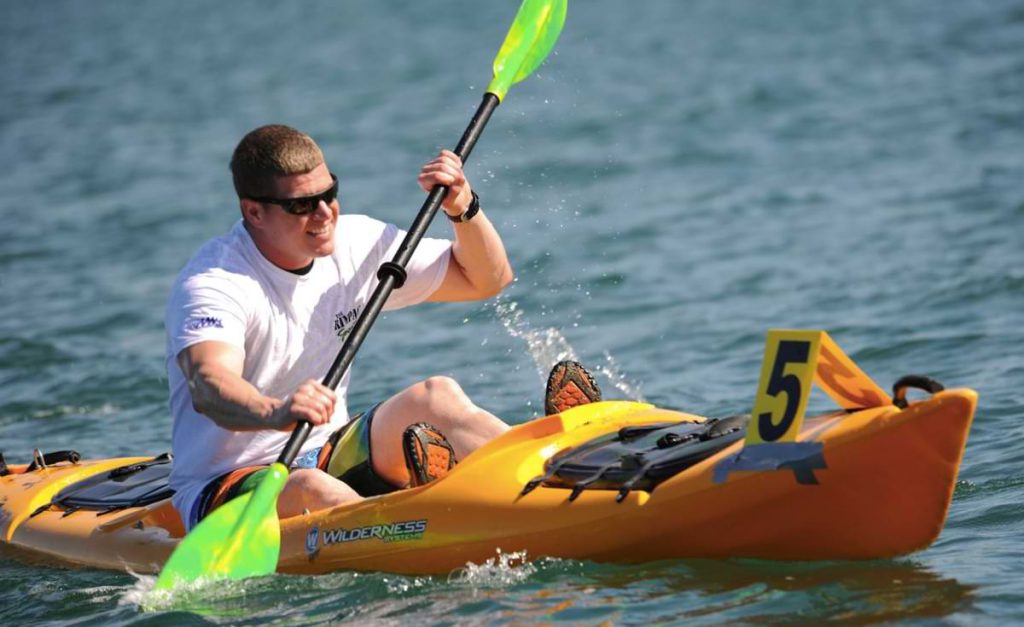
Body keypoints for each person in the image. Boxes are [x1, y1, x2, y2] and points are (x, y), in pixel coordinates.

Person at [165, 124, 602, 531]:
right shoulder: (216, 284)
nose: (324, 214)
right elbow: (210, 386)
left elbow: (487, 279)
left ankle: (557, 472)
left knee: (437, 396)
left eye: (329, 193)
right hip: (228, 482)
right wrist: (275, 413)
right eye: (301, 205)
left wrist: (463, 207)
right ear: (254, 212)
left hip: (327, 449)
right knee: (310, 489)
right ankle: (426, 516)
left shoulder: (354, 243)